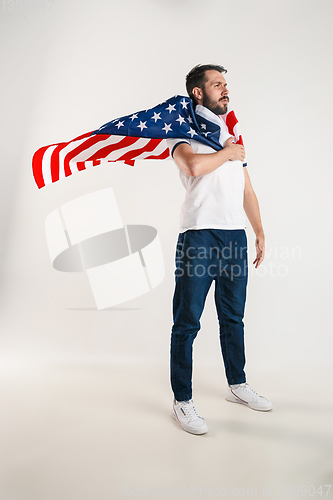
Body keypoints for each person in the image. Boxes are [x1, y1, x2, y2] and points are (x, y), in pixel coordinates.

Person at [167, 64, 272, 435]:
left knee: (233, 318)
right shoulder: (183, 134)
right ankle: (182, 402)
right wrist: (227, 153)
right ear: (199, 92)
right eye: (217, 84)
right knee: (187, 322)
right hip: (198, 237)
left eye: (226, 84)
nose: (225, 90)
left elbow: (246, 189)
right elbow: (194, 167)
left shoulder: (232, 135)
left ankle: (237, 384)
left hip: (233, 238)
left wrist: (258, 231)